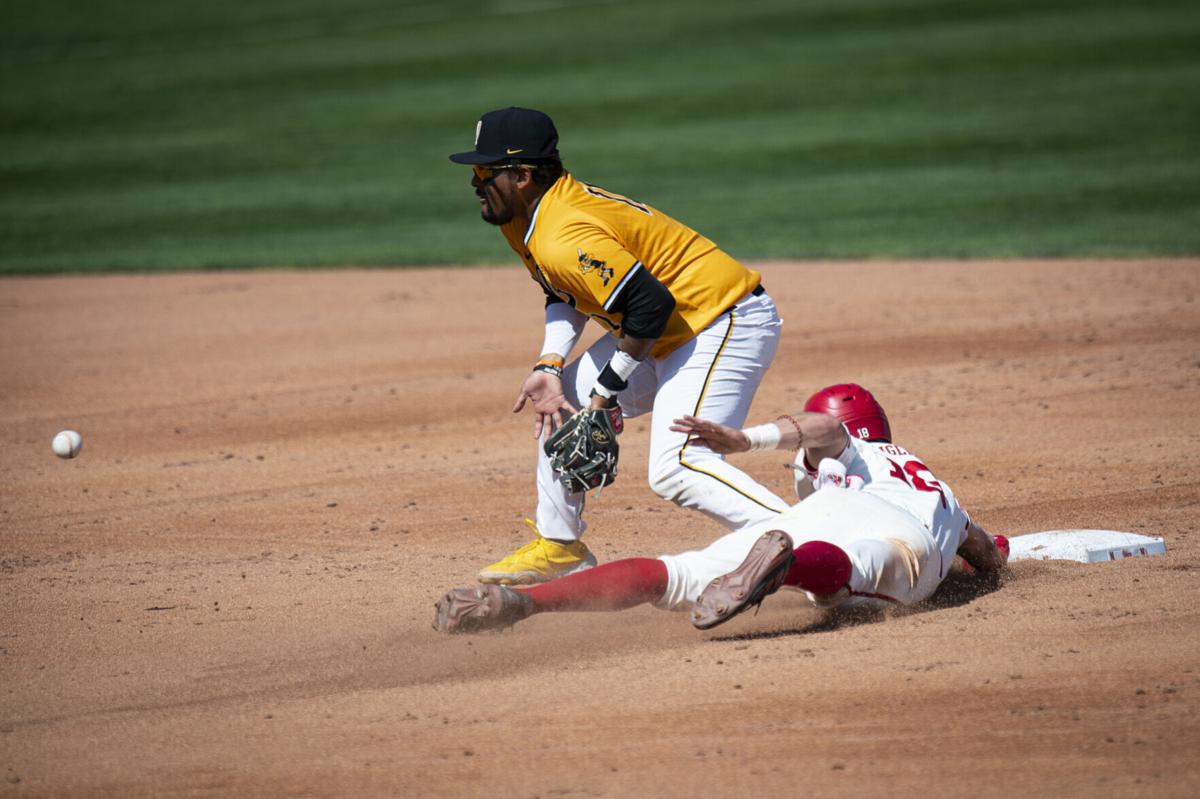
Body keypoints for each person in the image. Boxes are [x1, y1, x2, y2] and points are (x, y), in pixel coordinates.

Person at [449, 107, 788, 585]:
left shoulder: (564, 231)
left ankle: (809, 538)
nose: (474, 181)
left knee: (678, 467)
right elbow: (563, 290)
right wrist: (549, 362)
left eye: (484, 171)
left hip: (721, 321)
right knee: (558, 396)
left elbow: (649, 305)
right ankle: (559, 545)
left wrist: (604, 394)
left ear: (522, 175)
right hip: (666, 329)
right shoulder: (521, 217)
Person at [433, 383, 1008, 633]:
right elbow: (983, 551)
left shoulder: (840, 458)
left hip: (810, 516)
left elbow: (823, 429)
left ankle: (523, 603)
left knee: (674, 573)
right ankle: (791, 563)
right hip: (897, 532)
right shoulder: (931, 484)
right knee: (849, 576)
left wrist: (751, 439)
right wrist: (986, 565)